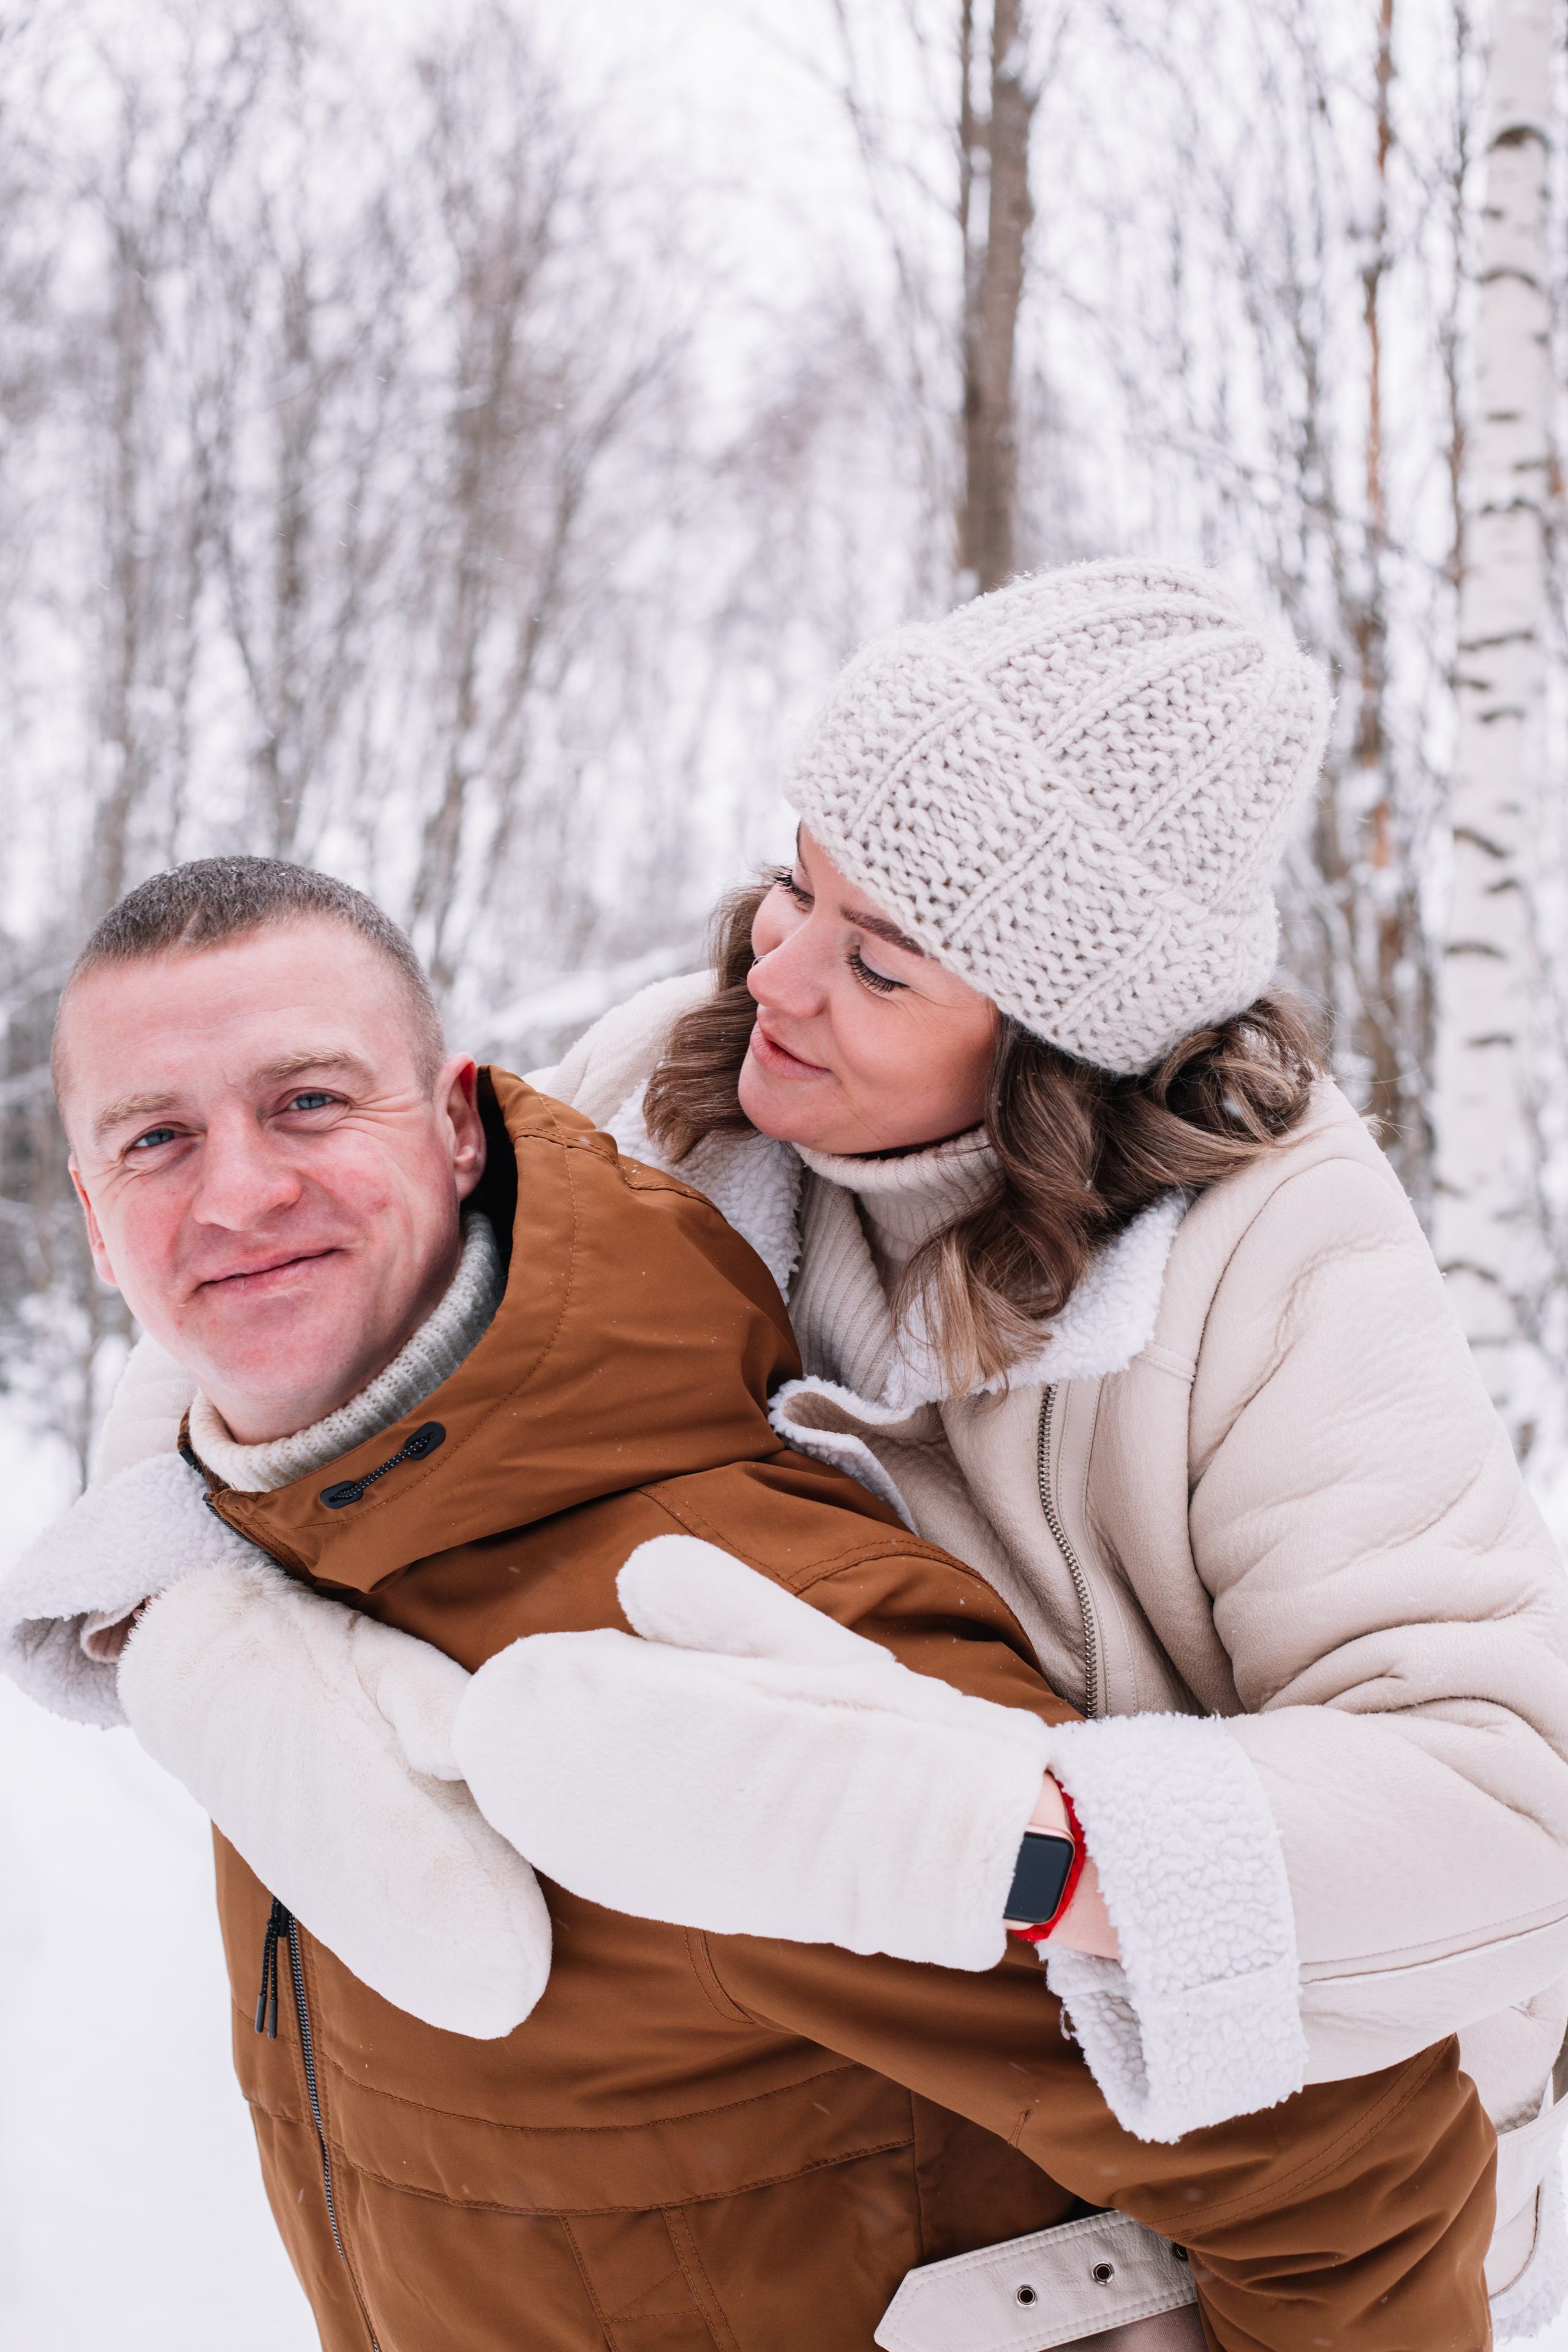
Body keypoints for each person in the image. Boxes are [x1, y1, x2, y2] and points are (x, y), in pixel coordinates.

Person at [1, 851, 1499, 2352]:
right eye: (156, 1139)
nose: (241, 1193)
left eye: (310, 1102)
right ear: (90, 1204)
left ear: (461, 1126)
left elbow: (1356, 2173)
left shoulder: (725, 1623)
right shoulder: (264, 1566)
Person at [458, 561, 1568, 2334]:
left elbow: (1510, 1804)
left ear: (1057, 1050)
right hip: (805, 2146)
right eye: (794, 884)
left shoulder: (1285, 1258)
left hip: (1233, 2210)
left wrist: (1013, 1844)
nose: (780, 979)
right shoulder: (670, 1077)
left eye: (881, 963)